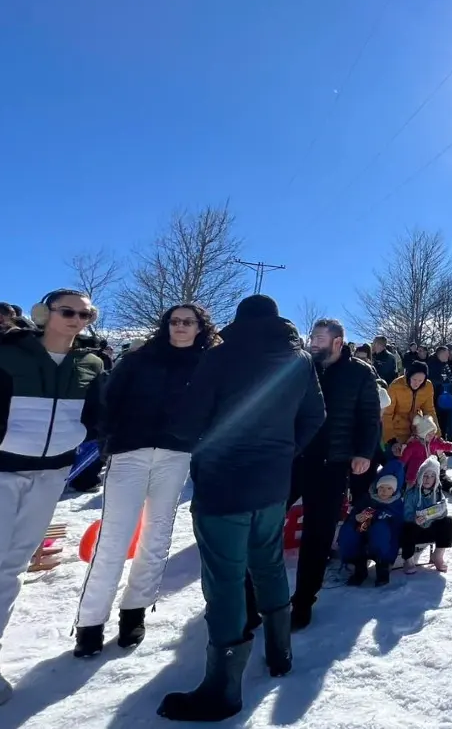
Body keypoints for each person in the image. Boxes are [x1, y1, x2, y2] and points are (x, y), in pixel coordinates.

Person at [0, 289, 105, 724]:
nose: (76, 319)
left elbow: (99, 414)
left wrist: (78, 436)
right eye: (67, 311)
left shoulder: (91, 364)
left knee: (11, 569)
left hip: (49, 476)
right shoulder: (3, 356)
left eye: (85, 314)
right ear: (45, 314)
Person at [158, 295, 325, 723]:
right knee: (267, 564)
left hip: (224, 485)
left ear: (239, 320)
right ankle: (279, 652)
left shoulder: (220, 357)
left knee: (225, 579)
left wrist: (201, 443)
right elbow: (314, 416)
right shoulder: (300, 360)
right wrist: (285, 450)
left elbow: (186, 422)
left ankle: (223, 688)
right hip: (272, 484)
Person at [73, 303, 217, 659]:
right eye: (174, 321)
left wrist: (200, 441)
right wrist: (110, 440)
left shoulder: (210, 364)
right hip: (130, 453)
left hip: (176, 455)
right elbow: (109, 400)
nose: (180, 327)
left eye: (188, 322)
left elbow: (217, 408)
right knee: (113, 538)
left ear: (200, 327)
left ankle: (134, 611)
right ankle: (90, 622)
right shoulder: (140, 359)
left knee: (157, 534)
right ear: (165, 325)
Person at [281, 319, 380, 632]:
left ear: (338, 342)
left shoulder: (360, 373)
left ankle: (304, 600)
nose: (313, 343)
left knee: (318, 533)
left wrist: (364, 452)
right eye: (312, 337)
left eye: (320, 338)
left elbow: (370, 417)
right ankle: (254, 595)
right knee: (266, 523)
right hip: (294, 460)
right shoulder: (301, 367)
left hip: (332, 463)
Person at [338, 463, 404, 587]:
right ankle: (357, 564)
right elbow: (356, 511)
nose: (384, 491)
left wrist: (377, 516)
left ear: (394, 490)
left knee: (380, 530)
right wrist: (357, 517)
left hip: (383, 538)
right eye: (382, 488)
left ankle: (382, 566)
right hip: (363, 529)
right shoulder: (368, 497)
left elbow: (397, 524)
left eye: (389, 488)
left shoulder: (397, 503)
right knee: (348, 530)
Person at [400, 457, 452, 572]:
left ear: (436, 478)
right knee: (407, 527)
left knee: (449, 521)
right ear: (420, 476)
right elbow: (406, 513)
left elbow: (444, 511)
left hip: (431, 530)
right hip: (415, 532)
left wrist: (439, 514)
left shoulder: (438, 493)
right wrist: (414, 519)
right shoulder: (412, 493)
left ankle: (438, 555)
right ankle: (408, 559)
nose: (428, 479)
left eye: (432, 476)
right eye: (425, 475)